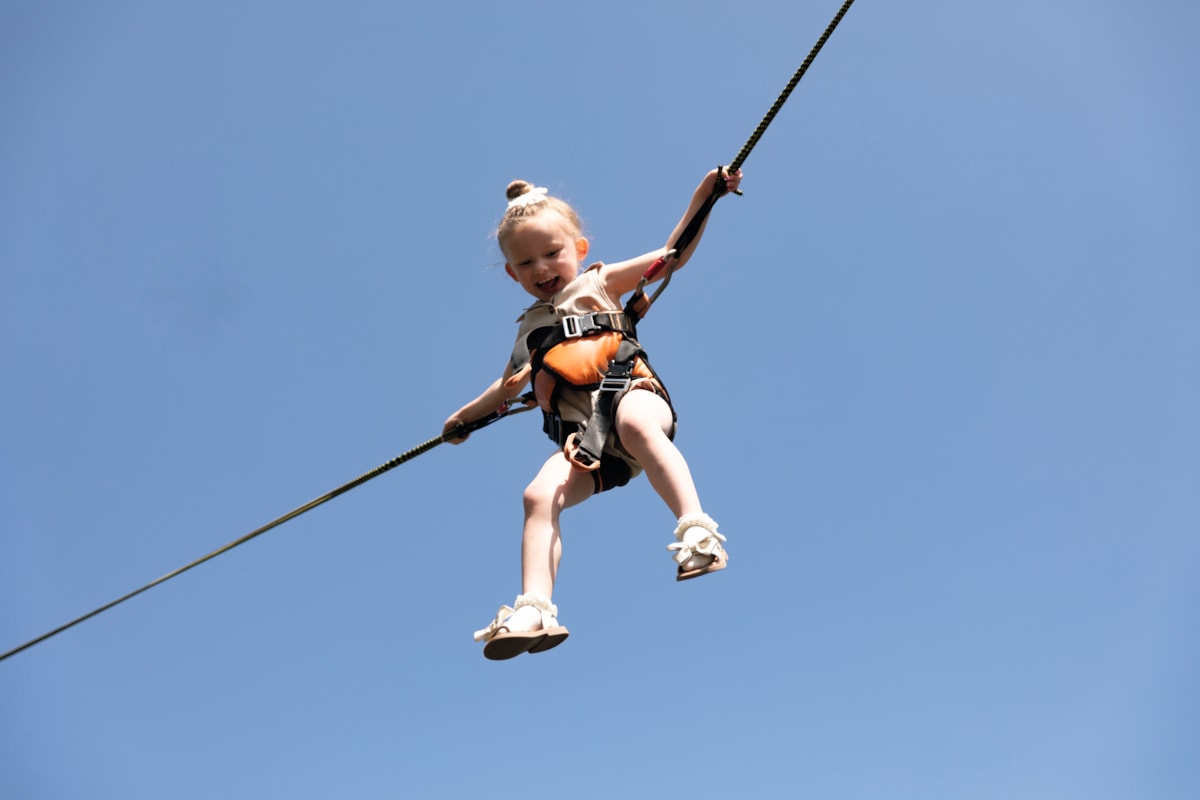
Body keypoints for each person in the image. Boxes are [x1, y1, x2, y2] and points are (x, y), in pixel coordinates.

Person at [444, 167, 742, 660]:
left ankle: (697, 530)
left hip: (632, 397)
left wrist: (704, 196)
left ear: (579, 249)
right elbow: (505, 389)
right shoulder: (527, 333)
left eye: (551, 253)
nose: (541, 268)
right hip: (590, 444)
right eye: (526, 262)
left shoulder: (598, 283)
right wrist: (462, 420)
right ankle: (535, 607)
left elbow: (671, 257)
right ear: (511, 274)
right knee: (537, 495)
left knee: (635, 423)